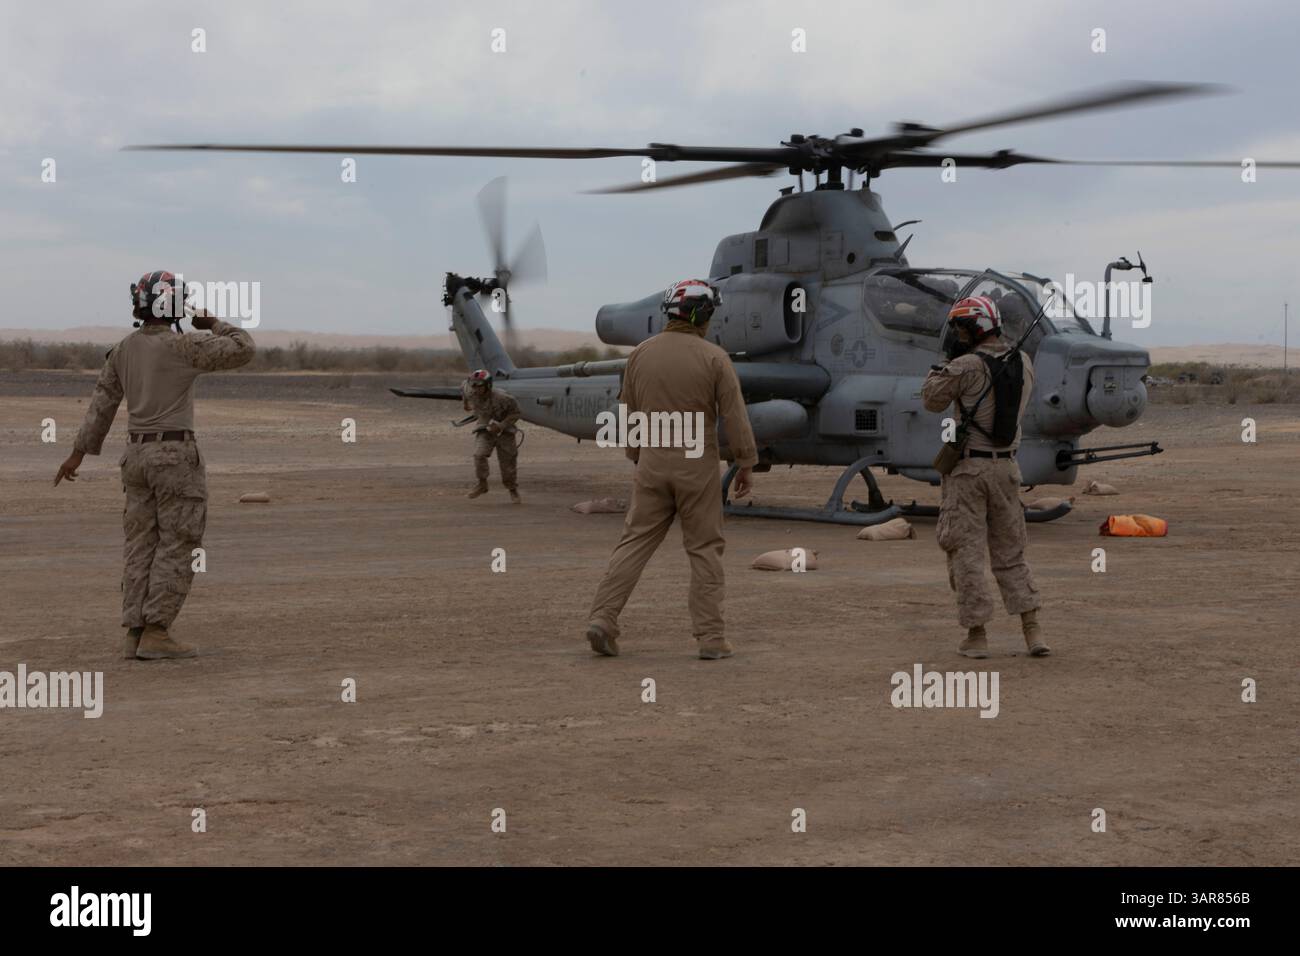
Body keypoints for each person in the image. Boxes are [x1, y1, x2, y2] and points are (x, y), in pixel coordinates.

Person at [54, 270, 255, 660]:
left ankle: (135, 631)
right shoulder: (185, 347)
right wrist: (212, 322)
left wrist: (77, 454)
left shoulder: (123, 350)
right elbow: (243, 347)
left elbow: (102, 407)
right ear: (176, 306)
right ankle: (158, 631)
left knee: (140, 544)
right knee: (178, 542)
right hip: (175, 457)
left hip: (135, 458)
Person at [586, 279, 758, 660]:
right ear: (705, 315)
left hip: (651, 461)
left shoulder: (640, 355)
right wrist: (745, 463)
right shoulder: (715, 358)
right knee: (704, 549)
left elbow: (628, 412)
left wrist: (637, 455)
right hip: (696, 465)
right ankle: (711, 638)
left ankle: (603, 618)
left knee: (634, 542)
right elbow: (735, 415)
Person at [921, 295, 1049, 659]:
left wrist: (944, 361)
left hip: (968, 471)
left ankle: (977, 636)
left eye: (961, 327)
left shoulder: (966, 366)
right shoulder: (1023, 362)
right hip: (1007, 469)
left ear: (975, 327)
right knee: (1011, 552)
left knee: (967, 553)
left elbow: (930, 399)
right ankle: (1032, 630)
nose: (958, 334)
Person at [461, 369, 521, 503]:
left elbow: (516, 413)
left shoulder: (504, 398)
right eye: (473, 385)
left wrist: (500, 426)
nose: (475, 389)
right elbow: (463, 386)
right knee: (479, 455)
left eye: (479, 385)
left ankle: (512, 489)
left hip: (505, 432)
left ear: (488, 385)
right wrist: (465, 404)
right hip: (484, 429)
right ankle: (482, 484)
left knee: (507, 463)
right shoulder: (470, 391)